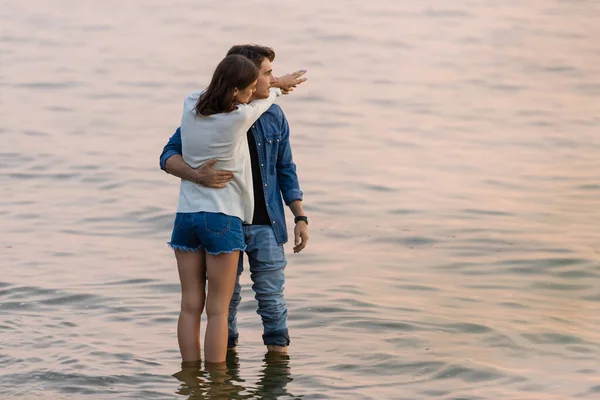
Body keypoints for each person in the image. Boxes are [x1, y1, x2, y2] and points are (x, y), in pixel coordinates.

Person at [160, 44, 309, 355]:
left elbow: (285, 168)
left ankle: (205, 377)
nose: (271, 80)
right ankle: (221, 376)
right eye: (267, 74)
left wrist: (300, 215)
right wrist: (197, 175)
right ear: (246, 81)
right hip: (227, 219)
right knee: (223, 306)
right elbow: (167, 156)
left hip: (250, 219)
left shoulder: (196, 107)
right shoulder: (232, 115)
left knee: (263, 298)